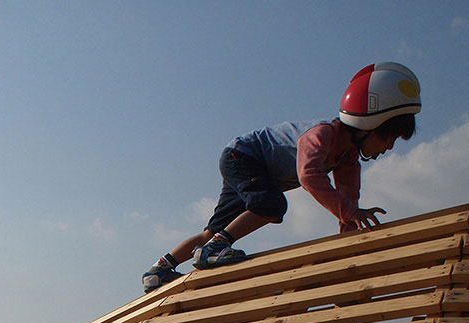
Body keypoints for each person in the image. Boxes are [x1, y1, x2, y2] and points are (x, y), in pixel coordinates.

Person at [142, 62, 421, 293]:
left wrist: (347, 249)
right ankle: (214, 248)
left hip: (251, 166)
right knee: (271, 205)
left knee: (215, 228)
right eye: (390, 138)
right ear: (369, 125)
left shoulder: (347, 160)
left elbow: (346, 205)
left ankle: (161, 269)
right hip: (243, 155)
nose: (388, 148)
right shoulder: (323, 134)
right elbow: (309, 175)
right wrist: (350, 210)